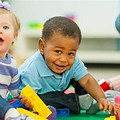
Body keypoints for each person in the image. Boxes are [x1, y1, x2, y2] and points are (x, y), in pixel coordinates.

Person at [19, 16, 115, 116]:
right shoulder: (31, 71)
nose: (64, 59)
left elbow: (87, 80)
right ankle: (81, 102)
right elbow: (29, 100)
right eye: (58, 51)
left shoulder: (73, 61)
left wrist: (101, 98)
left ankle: (97, 99)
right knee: (44, 100)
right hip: (41, 94)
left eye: (71, 53)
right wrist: (29, 103)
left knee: (80, 76)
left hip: (59, 86)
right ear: (42, 47)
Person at [0, 2, 34, 120]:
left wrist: (25, 100)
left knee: (20, 102)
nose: (0, 31)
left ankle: (28, 113)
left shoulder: (12, 64)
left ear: (15, 36)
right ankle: (12, 115)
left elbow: (15, 92)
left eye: (5, 27)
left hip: (2, 105)